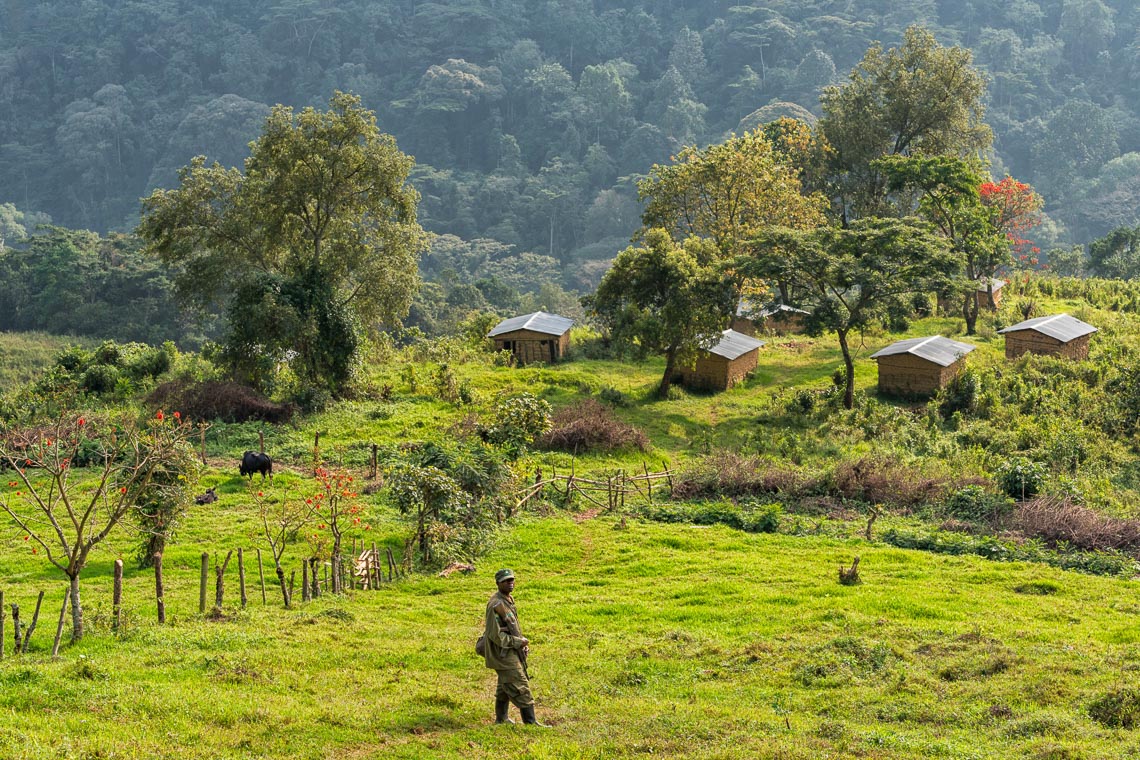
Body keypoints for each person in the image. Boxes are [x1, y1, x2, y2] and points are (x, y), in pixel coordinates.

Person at [483, 568, 546, 726]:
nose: (510, 583)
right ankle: (531, 723)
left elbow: (512, 627)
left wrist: (521, 644)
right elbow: (495, 635)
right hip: (502, 652)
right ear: (498, 583)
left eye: (512, 580)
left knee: (505, 684)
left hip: (510, 649)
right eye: (506, 581)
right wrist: (517, 642)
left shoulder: (508, 600)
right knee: (520, 684)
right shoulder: (495, 604)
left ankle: (501, 718)